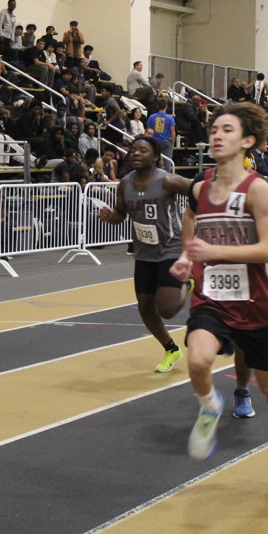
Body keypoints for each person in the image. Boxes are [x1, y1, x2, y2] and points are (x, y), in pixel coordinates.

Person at [169, 102, 268, 491]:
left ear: (247, 141)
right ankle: (210, 406)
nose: (217, 136)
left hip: (256, 302)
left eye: (227, 130)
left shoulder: (258, 189)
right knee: (197, 359)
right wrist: (186, 257)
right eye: (214, 130)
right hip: (212, 297)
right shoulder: (200, 188)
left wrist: (214, 251)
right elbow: (192, 222)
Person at [98, 136, 192, 372]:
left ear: (156, 157)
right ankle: (171, 349)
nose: (136, 153)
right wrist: (111, 217)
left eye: (143, 150)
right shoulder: (125, 183)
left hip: (171, 249)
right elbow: (121, 214)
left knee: (167, 310)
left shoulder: (168, 181)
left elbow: (197, 189)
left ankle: (187, 283)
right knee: (145, 307)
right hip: (144, 253)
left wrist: (196, 219)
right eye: (133, 150)